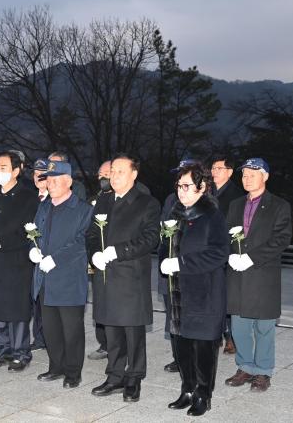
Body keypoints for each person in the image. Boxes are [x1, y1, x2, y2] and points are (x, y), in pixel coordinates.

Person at [87, 153, 160, 403]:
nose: (114, 176)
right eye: (112, 172)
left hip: (130, 277)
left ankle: (134, 377)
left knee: (132, 330)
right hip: (106, 276)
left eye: (120, 171)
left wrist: (117, 252)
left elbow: (151, 238)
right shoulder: (103, 201)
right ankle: (115, 375)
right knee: (112, 328)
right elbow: (91, 234)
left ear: (133, 174)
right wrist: (95, 254)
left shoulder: (146, 203)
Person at [160, 161, 229, 416]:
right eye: (179, 186)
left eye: (187, 186)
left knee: (203, 348)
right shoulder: (175, 215)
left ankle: (203, 394)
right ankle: (187, 388)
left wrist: (181, 262)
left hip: (205, 293)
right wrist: (165, 259)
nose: (182, 191)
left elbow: (220, 253)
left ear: (202, 187)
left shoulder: (212, 216)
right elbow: (164, 247)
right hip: (178, 293)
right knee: (182, 345)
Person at [224, 158, 292, 393]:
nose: (247, 178)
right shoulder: (234, 205)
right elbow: (226, 235)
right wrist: (230, 255)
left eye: (253, 174)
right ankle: (245, 367)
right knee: (240, 327)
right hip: (238, 275)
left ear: (265, 176)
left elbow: (281, 239)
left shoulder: (279, 205)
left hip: (263, 274)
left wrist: (252, 257)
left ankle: (263, 371)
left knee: (264, 327)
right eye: (244, 175)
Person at [30, 161, 93, 388]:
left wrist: (55, 259)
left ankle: (73, 372)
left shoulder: (83, 209)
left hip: (68, 279)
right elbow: (34, 232)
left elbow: (81, 242)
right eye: (48, 179)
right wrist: (33, 250)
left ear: (68, 182)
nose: (51, 184)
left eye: (56, 179)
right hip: (45, 279)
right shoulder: (44, 206)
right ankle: (55, 366)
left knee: (71, 329)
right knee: (51, 328)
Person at [0, 151, 39, 372]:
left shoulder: (27, 197)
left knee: (16, 308)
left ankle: (21, 352)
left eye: (3, 167)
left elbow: (28, 230)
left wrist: (1, 242)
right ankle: (1, 350)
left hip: (16, 261)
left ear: (16, 170)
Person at [158, 159, 199, 374]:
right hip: (170, 270)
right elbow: (163, 232)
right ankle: (179, 357)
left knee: (192, 317)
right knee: (172, 317)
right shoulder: (170, 200)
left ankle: (193, 359)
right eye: (178, 176)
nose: (180, 181)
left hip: (191, 270)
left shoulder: (205, 204)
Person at [210, 156, 244, 354]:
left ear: (230, 172)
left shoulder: (236, 195)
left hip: (228, 251)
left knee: (228, 297)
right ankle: (215, 334)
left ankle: (231, 336)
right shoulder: (207, 191)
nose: (214, 171)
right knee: (213, 296)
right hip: (209, 250)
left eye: (219, 168)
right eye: (213, 168)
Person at [87, 160, 112, 361]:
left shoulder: (131, 198)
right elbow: (92, 230)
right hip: (99, 260)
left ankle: (117, 346)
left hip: (117, 259)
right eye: (100, 175)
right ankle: (104, 343)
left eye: (107, 173)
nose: (103, 178)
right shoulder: (98, 198)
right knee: (100, 303)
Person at [30, 158, 49, 351]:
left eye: (43, 175)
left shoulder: (53, 200)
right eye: (36, 174)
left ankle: (45, 336)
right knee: (33, 299)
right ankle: (38, 337)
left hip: (46, 256)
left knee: (43, 298)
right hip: (29, 255)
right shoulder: (29, 197)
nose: (39, 178)